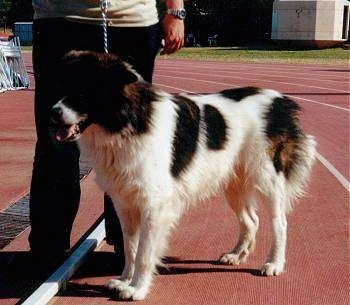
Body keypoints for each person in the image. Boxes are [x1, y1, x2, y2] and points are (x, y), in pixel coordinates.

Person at [29, 0, 185, 268]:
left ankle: (129, 247)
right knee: (55, 140)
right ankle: (47, 247)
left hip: (132, 22)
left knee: (130, 144)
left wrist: (176, 11)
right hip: (61, 17)